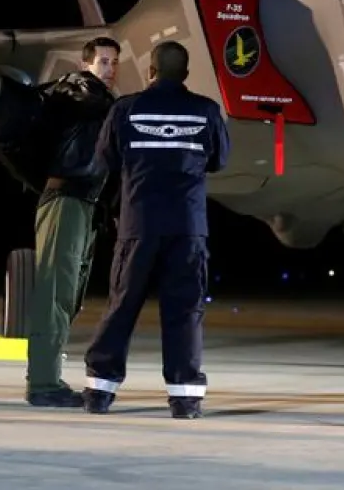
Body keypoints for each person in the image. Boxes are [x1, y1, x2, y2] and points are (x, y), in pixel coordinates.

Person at [81, 40, 230, 419]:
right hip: (187, 226)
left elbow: (105, 159)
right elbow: (219, 160)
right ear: (185, 73)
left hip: (139, 224)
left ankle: (100, 391)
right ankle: (185, 399)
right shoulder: (206, 110)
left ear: (151, 71)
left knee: (122, 305)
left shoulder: (125, 108)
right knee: (184, 310)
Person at [25, 36, 121, 408]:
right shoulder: (78, 88)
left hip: (83, 202)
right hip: (65, 198)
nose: (109, 70)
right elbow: (86, 99)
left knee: (67, 293)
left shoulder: (98, 99)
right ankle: (43, 383)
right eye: (103, 62)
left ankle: (46, 377)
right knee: (54, 292)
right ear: (86, 65)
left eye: (114, 63)